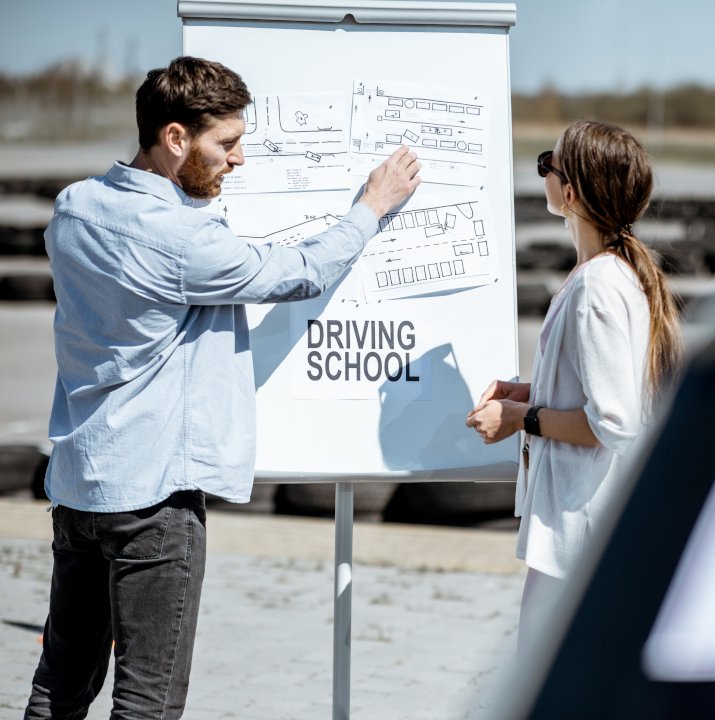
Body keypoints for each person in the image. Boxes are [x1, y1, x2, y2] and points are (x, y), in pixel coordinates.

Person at [24, 56, 420, 719]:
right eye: (226, 144)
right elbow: (299, 272)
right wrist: (370, 208)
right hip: (153, 497)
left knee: (59, 687)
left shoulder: (74, 208)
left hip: (79, 486)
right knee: (146, 703)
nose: (238, 160)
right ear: (175, 138)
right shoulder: (182, 242)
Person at [465, 120, 681, 651]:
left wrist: (522, 418)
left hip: (581, 530)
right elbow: (607, 388)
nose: (541, 172)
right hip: (585, 529)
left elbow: (614, 422)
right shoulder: (609, 274)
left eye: (547, 163)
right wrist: (531, 391)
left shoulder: (599, 287)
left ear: (571, 192)